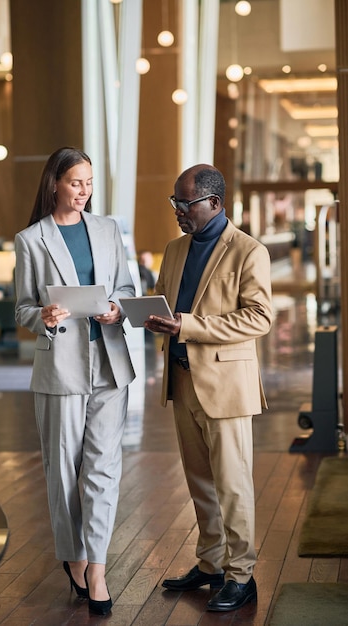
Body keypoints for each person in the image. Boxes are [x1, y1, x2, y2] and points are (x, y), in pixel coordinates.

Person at [144, 164, 273, 612]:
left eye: (186, 203)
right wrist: (143, 311)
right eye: (175, 203)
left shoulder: (248, 251)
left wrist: (187, 325)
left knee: (232, 484)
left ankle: (243, 575)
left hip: (225, 386)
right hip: (182, 380)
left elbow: (259, 317)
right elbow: (163, 296)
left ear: (214, 204)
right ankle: (212, 564)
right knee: (200, 482)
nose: (178, 211)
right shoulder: (175, 249)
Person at [14, 146, 135, 616]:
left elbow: (124, 287)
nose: (83, 191)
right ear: (55, 184)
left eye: (88, 183)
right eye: (75, 183)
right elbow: (22, 307)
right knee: (63, 471)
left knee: (103, 468)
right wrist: (41, 315)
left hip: (109, 360)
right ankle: (74, 555)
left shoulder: (107, 230)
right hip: (60, 366)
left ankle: (99, 567)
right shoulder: (31, 240)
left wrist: (117, 307)